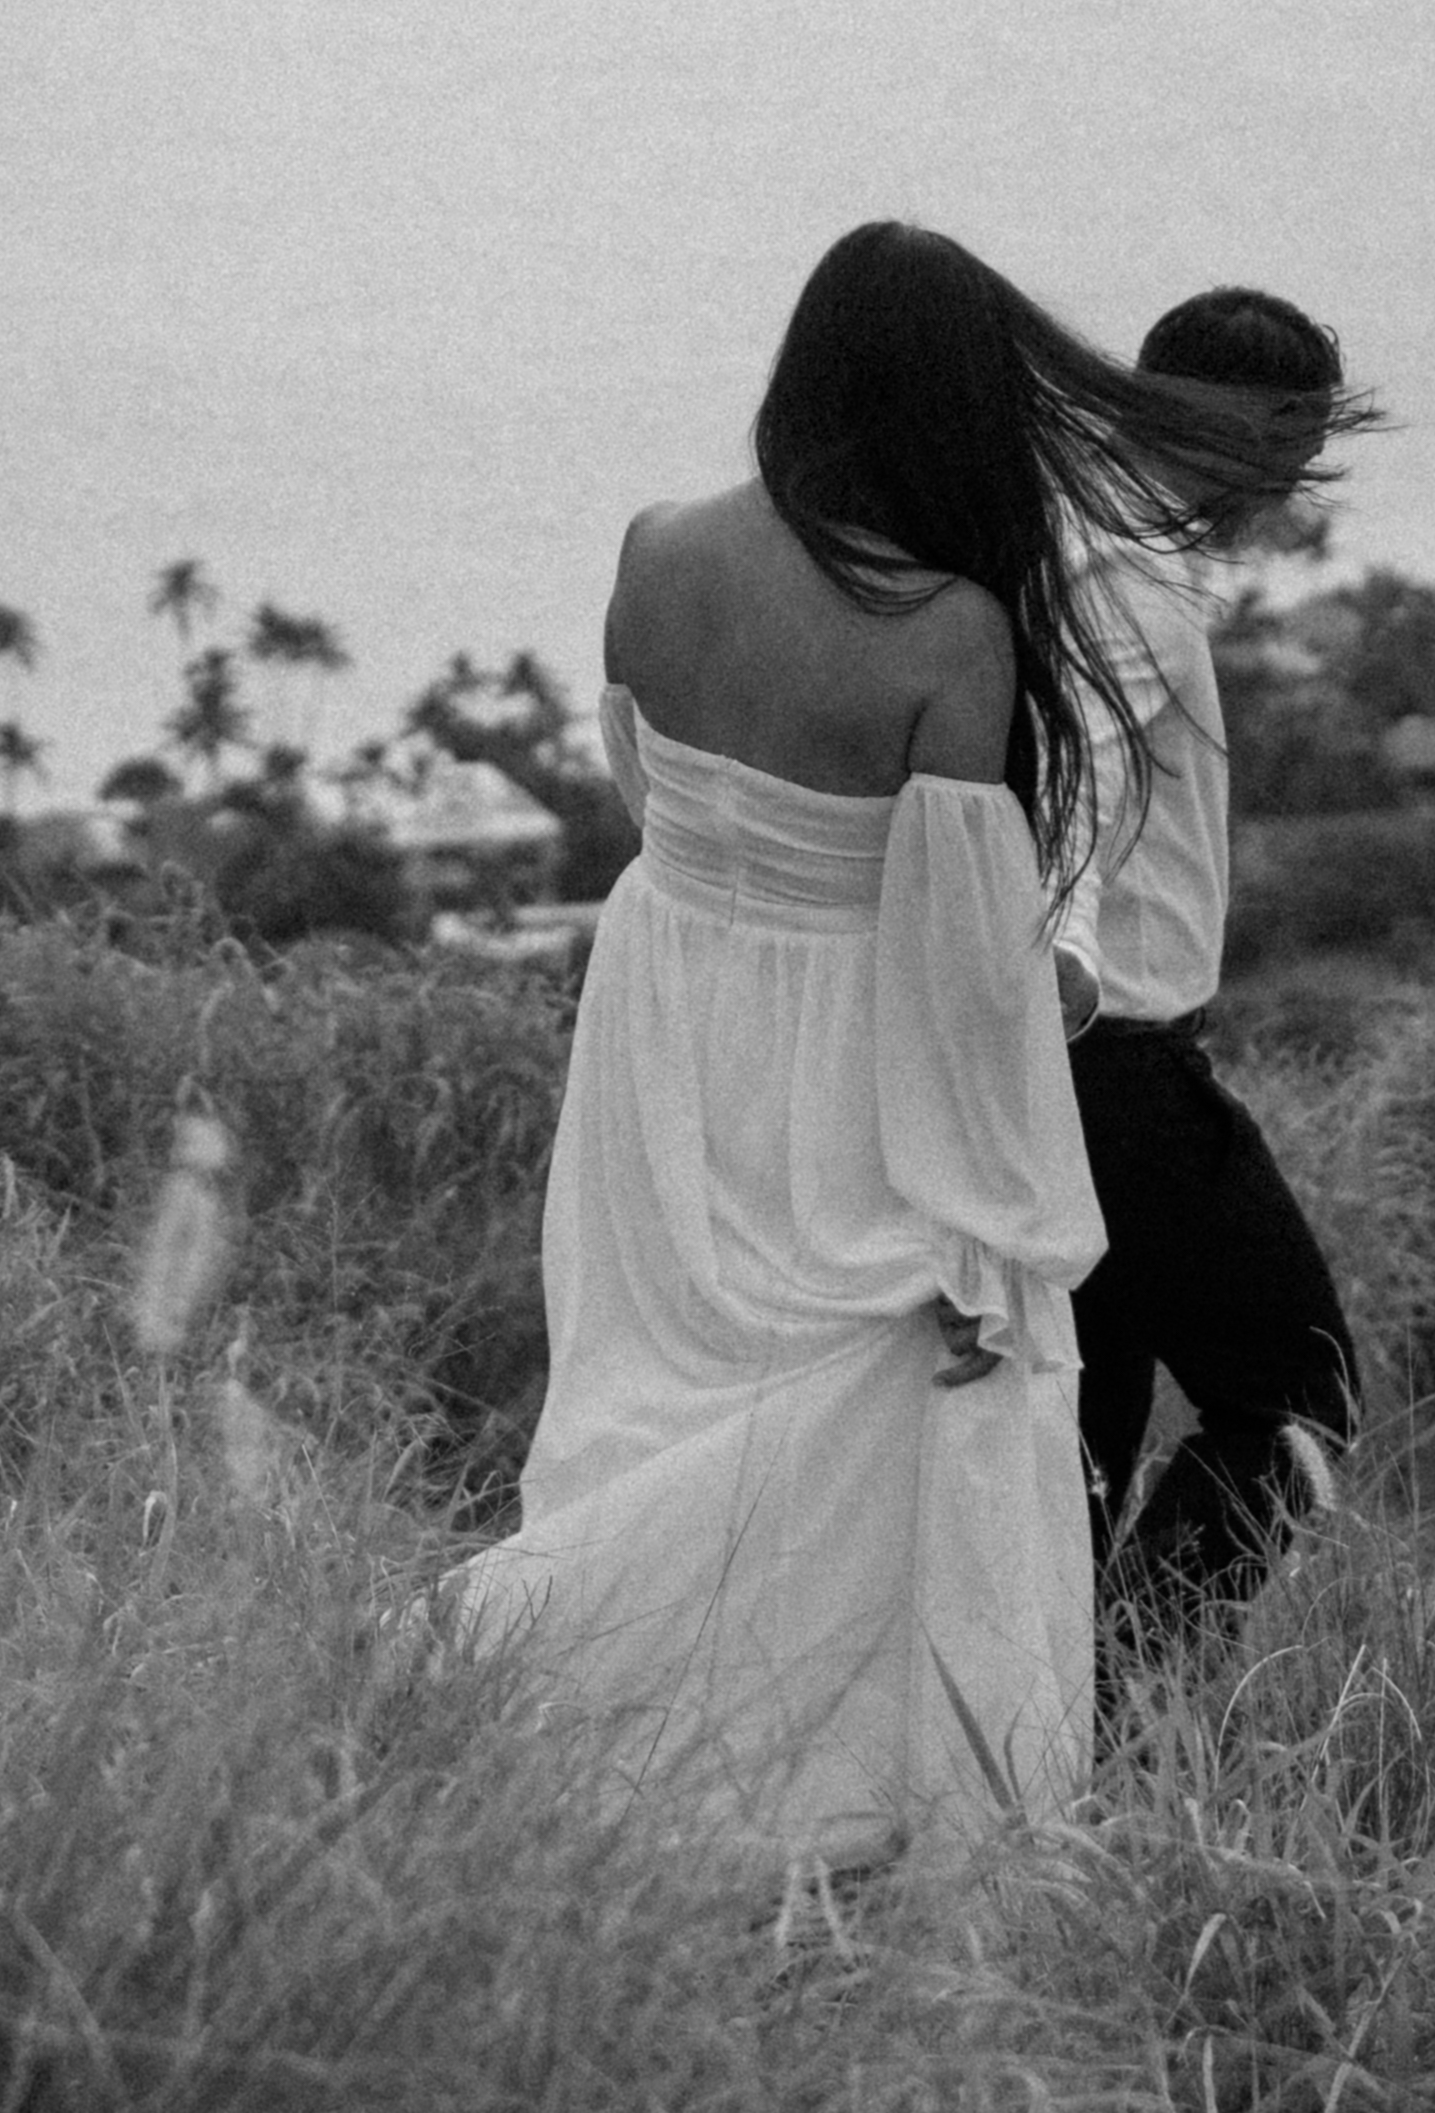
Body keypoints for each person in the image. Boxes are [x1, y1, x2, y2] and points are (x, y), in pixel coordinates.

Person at [449, 222, 1326, 1865]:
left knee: (695, 1398)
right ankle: (866, 1788)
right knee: (889, 1408)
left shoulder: (653, 549)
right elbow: (967, 960)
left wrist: (751, 915)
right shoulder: (949, 632)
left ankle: (644, 1760)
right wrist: (996, 1232)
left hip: (668, 1029)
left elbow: (649, 802)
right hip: (854, 1034)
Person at [1052, 285, 1373, 1657]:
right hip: (1111, 1059)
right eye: (1287, 462)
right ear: (1239, 428)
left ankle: (1034, 1725)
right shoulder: (1118, 575)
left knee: (1083, 1430)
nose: (1287, 498)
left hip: (1064, 1059)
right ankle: (1118, 1704)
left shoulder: (1089, 535)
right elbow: (1077, 789)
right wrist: (1059, 967)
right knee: (1293, 1397)